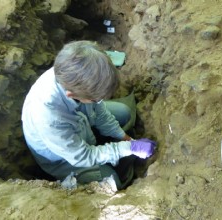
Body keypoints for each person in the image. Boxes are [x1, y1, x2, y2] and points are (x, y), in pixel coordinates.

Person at [21, 40, 156, 190]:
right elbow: (84, 156)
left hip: (80, 126)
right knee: (112, 183)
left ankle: (101, 139)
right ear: (71, 95)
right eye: (94, 99)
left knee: (124, 112)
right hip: (65, 158)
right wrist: (127, 148)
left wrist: (126, 139)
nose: (98, 101)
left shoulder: (74, 74)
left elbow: (100, 112)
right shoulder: (49, 117)